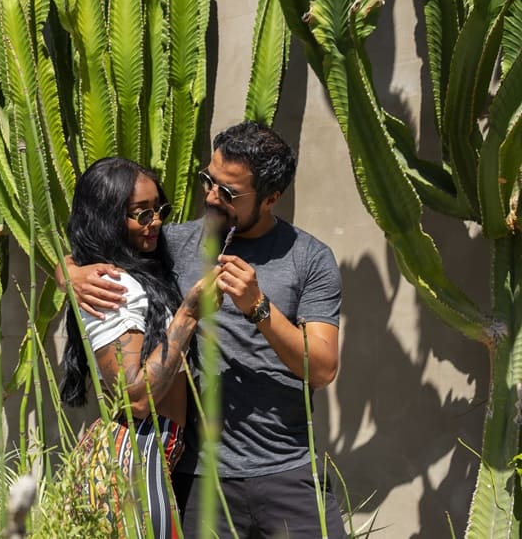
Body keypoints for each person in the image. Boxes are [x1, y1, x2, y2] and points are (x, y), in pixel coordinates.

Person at [61, 122, 345, 537]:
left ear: (271, 198)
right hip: (196, 477)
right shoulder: (173, 242)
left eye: (228, 192)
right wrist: (69, 273)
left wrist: (259, 307)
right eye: (208, 181)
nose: (211, 197)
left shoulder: (309, 259)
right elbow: (97, 245)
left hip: (287, 470)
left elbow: (321, 369)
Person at [60, 156, 220, 539]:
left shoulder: (137, 269)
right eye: (142, 214)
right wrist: (188, 316)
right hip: (135, 458)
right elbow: (135, 398)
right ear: (108, 219)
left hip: (151, 455)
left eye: (159, 209)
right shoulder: (114, 286)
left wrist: (67, 269)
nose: (156, 222)